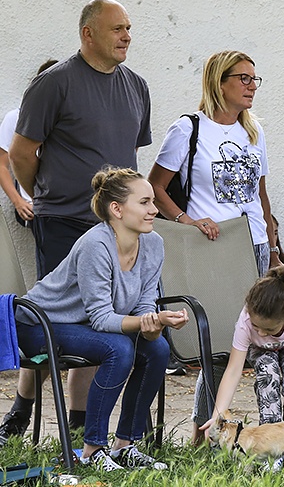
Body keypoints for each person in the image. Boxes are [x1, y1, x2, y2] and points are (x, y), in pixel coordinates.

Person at [3, 0, 151, 444]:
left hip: (116, 226)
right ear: (88, 34)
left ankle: (82, 424)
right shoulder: (55, 84)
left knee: (102, 320)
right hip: (64, 221)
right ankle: (24, 407)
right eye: (117, 29)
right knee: (62, 321)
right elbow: (22, 154)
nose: (127, 36)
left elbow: (130, 156)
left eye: (129, 27)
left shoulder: (137, 86)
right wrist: (47, 195)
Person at [14, 168, 189, 471]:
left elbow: (144, 306)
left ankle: (125, 445)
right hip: (38, 323)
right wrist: (150, 321)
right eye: (145, 202)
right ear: (117, 209)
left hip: (83, 325)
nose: (154, 209)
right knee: (117, 349)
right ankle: (92, 450)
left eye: (152, 202)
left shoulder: (153, 243)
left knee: (158, 350)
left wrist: (154, 325)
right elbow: (101, 318)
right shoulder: (96, 244)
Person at [148, 50, 281, 443]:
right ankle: (202, 433)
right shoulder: (189, 129)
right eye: (243, 78)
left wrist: (272, 247)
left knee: (261, 339)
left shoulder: (253, 130)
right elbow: (155, 186)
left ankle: (263, 431)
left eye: (255, 79)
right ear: (218, 82)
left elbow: (260, 193)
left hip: (254, 244)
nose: (252, 86)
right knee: (220, 345)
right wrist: (185, 220)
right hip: (213, 249)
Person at [199, 266, 284, 435]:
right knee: (267, 374)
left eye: (269, 329)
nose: (262, 332)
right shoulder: (246, 322)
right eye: (256, 326)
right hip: (261, 348)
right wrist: (218, 415)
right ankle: (270, 435)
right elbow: (233, 370)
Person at [0, 59, 58, 227]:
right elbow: (2, 164)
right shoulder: (17, 117)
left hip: (68, 209)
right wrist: (18, 201)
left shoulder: (71, 120)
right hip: (36, 209)